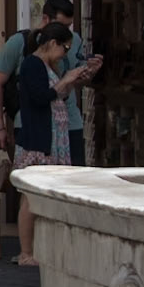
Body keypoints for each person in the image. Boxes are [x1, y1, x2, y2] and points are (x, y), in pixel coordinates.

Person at [13, 22, 95, 265]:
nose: (65, 54)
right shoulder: (32, 64)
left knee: (42, 196)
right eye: (65, 48)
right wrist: (66, 78)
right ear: (52, 44)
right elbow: (41, 97)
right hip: (38, 140)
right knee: (30, 197)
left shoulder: (48, 65)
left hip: (52, 138)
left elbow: (58, 94)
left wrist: (75, 79)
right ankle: (26, 252)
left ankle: (38, 248)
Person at [0, 0, 100, 166]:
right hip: (35, 126)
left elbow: (71, 85)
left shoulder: (72, 41)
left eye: (69, 27)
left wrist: (88, 72)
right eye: (61, 26)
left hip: (68, 123)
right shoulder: (21, 44)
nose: (66, 32)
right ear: (45, 19)